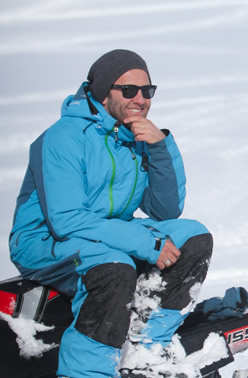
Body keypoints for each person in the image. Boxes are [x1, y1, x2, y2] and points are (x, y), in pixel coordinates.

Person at [9, 49, 214, 377]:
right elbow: (66, 219)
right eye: (129, 90)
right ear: (103, 92)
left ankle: (144, 349)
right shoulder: (63, 138)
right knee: (113, 269)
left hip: (105, 232)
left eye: (147, 91)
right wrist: (144, 243)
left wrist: (160, 148)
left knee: (193, 238)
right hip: (44, 239)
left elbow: (165, 210)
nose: (141, 99)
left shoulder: (132, 135)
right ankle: (86, 372)